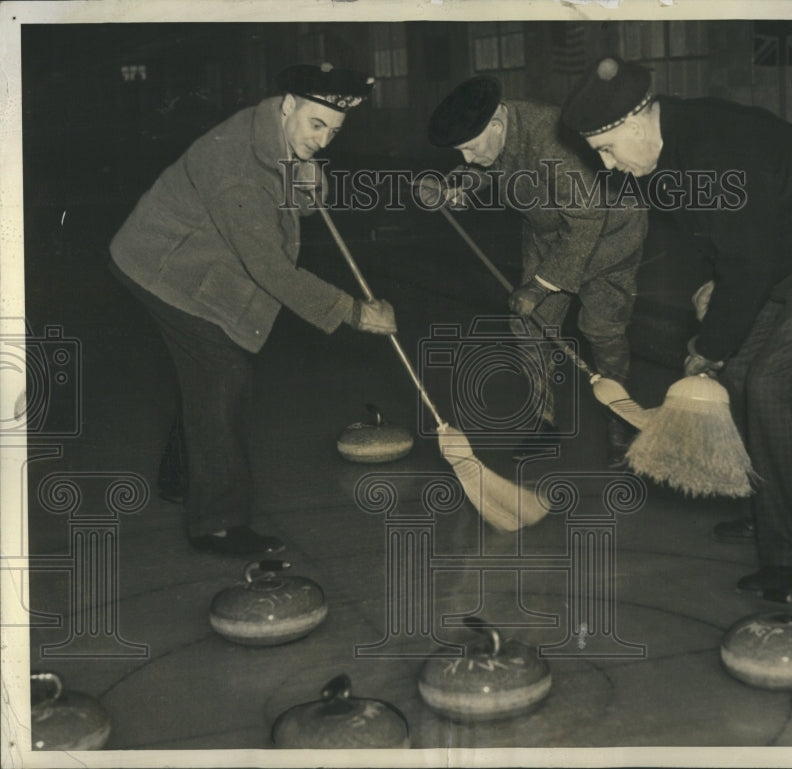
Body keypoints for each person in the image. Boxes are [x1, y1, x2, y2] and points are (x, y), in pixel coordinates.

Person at [562, 57, 792, 596]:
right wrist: (719, 295)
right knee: (741, 373)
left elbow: (748, 262)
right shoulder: (663, 152)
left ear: (637, 121)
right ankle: (771, 511)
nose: (607, 166)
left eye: (606, 149)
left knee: (777, 386)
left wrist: (708, 346)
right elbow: (725, 238)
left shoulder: (713, 152)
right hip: (786, 247)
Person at [110, 63, 397, 556]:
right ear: (289, 106)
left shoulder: (274, 130)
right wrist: (354, 312)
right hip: (161, 265)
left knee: (205, 375)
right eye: (316, 125)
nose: (325, 140)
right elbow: (273, 270)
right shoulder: (236, 168)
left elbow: (296, 205)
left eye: (334, 130)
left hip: (199, 250)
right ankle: (217, 524)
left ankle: (183, 476)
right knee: (222, 371)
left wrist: (309, 177)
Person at [423, 76, 648, 466]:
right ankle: (543, 424)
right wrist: (456, 185)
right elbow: (493, 165)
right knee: (529, 326)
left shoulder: (552, 142)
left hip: (609, 232)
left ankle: (621, 422)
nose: (467, 157)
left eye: (469, 149)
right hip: (549, 230)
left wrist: (541, 285)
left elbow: (587, 219)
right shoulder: (495, 132)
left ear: (495, 125)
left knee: (602, 328)